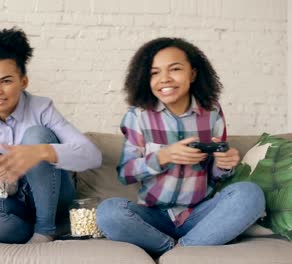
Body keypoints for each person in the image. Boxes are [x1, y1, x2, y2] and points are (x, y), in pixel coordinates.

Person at [96, 37, 265, 256]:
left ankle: (183, 251)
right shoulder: (138, 116)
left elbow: (216, 175)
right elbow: (126, 173)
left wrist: (224, 163)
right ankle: (175, 249)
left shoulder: (211, 112)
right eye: (154, 72)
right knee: (109, 212)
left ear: (193, 73)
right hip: (153, 216)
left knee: (250, 193)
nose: (164, 79)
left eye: (174, 69)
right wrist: (164, 156)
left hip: (201, 214)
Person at [0, 27, 102, 244]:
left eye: (6, 81)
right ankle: (55, 229)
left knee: (36, 136)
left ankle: (45, 228)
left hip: (55, 196)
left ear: (23, 81)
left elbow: (92, 155)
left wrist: (39, 151)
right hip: (10, 200)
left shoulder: (42, 108)